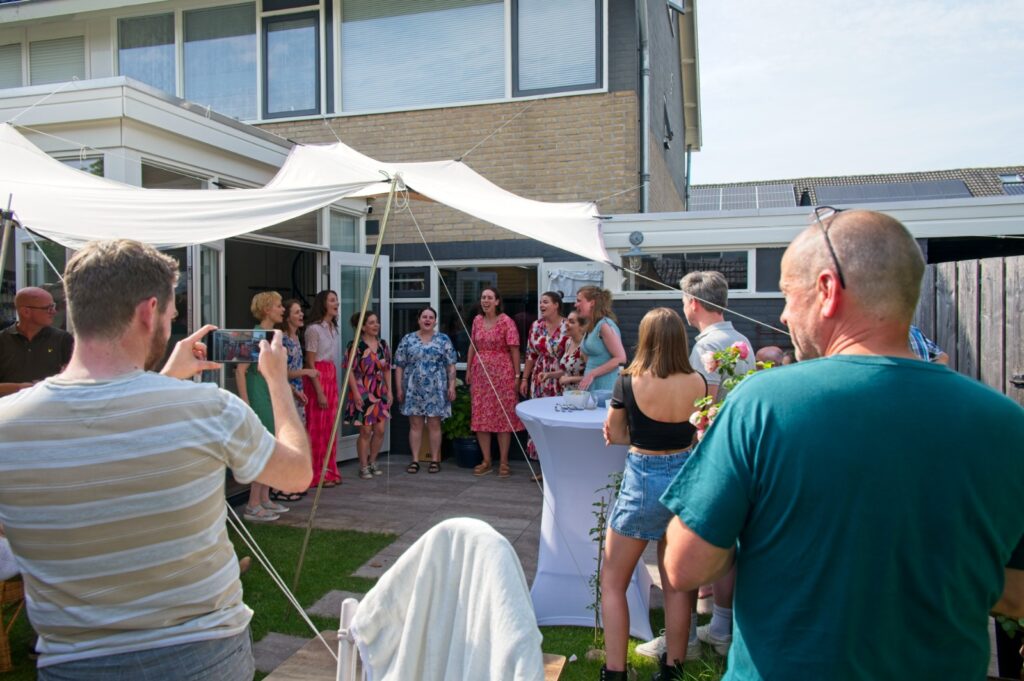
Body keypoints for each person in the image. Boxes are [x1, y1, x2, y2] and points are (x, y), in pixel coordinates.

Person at [660, 209, 1024, 680]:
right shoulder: (1007, 422)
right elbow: (1016, 593)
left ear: (828, 290)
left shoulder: (763, 403)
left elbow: (685, 566)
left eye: (788, 294)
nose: (784, 314)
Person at [0, 239, 310, 679]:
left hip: (72, 663)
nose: (172, 321)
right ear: (149, 311)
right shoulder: (208, 408)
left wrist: (165, 377)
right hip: (202, 656)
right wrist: (277, 382)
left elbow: (105, 434)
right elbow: (296, 473)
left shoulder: (8, 425)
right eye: (171, 313)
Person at [600, 308, 707, 681]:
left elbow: (616, 434)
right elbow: (698, 433)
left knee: (613, 581)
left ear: (644, 339)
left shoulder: (627, 381)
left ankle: (615, 672)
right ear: (680, 339)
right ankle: (673, 670)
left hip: (643, 479)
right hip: (684, 481)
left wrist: (634, 433)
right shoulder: (699, 382)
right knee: (675, 584)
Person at [676, 270, 754, 655]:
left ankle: (689, 634)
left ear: (693, 303)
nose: (683, 307)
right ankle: (722, 623)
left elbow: (700, 406)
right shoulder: (742, 341)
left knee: (705, 539)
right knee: (730, 541)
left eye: (683, 301)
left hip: (711, 450)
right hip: (741, 449)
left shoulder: (706, 347)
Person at [465, 287, 523, 478]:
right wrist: (468, 369)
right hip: (480, 375)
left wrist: (517, 376)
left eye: (490, 297)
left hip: (502, 375)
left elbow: (514, 349)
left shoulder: (507, 321)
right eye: (483, 297)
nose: (485, 301)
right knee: (481, 416)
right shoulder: (477, 320)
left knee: (502, 417)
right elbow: (472, 346)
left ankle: (504, 462)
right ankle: (486, 460)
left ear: (497, 301)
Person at [394, 306, 457, 475]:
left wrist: (451, 386)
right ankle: (415, 460)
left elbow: (451, 365)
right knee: (415, 425)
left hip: (436, 389)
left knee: (434, 424)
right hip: (413, 389)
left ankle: (435, 459)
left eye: (431, 317)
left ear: (435, 321)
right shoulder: (408, 339)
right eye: (424, 317)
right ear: (419, 319)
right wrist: (399, 388)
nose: (427, 320)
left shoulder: (443, 339)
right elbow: (399, 365)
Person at [519, 291, 568, 481]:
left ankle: (562, 467)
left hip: (560, 378)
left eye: (546, 302)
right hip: (540, 378)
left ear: (556, 305)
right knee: (540, 420)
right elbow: (530, 354)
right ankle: (544, 468)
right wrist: (524, 378)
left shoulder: (567, 325)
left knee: (559, 420)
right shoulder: (536, 326)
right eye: (540, 302)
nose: (541, 305)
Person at [273, 297, 317, 502]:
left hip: (298, 394)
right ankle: (280, 486)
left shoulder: (296, 337)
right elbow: (281, 372)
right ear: (287, 317)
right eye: (297, 312)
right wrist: (306, 372)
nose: (301, 315)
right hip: (287, 394)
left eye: (301, 312)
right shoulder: (282, 339)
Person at [344, 311, 393, 480]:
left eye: (376, 322)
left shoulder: (383, 345)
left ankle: (373, 461)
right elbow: (349, 370)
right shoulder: (355, 345)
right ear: (363, 327)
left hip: (379, 389)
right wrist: (356, 393)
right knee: (365, 431)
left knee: (380, 430)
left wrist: (390, 390)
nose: (376, 325)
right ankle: (363, 465)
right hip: (362, 389)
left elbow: (387, 369)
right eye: (371, 322)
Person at [0, 286, 73, 396]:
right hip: (9, 406)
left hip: (50, 405)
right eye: (48, 308)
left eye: (53, 306)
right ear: (26, 312)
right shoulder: (2, 341)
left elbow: (74, 380)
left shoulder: (63, 339)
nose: (54, 312)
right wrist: (20, 388)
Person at [304, 290, 342, 488]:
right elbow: (310, 362)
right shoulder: (314, 329)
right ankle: (315, 472)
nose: (337, 303)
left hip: (330, 373)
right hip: (317, 375)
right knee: (317, 426)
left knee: (329, 427)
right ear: (323, 304)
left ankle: (328, 469)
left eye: (337, 300)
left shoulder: (333, 328)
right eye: (332, 300)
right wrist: (319, 391)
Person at [575, 285, 626, 392]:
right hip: (592, 386)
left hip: (606, 387)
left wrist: (592, 373)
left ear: (592, 303)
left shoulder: (604, 325)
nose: (575, 304)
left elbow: (621, 358)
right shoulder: (591, 326)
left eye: (579, 301)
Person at [553, 309, 587, 391]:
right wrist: (548, 375)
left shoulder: (586, 347)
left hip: (580, 394)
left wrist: (569, 379)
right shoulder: (568, 342)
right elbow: (567, 370)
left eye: (571, 322)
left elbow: (592, 376)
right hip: (567, 393)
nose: (566, 323)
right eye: (567, 321)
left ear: (581, 327)